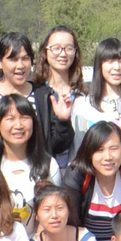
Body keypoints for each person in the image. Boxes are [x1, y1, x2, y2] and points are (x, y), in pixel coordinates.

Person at [63, 120, 121, 241]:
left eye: (114, 149)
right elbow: (71, 224)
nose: (108, 157)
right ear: (89, 152)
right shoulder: (77, 174)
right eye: (99, 150)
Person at [0, 92, 55, 223]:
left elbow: (55, 208)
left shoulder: (48, 164)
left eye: (24, 118)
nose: (18, 125)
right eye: (10, 119)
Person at [35, 25, 85, 160]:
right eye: (56, 48)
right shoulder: (36, 94)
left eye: (69, 48)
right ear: (45, 52)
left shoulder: (84, 96)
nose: (63, 54)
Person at [28, 182, 95, 241]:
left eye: (59, 208)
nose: (54, 215)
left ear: (68, 211)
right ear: (36, 215)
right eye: (47, 209)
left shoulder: (86, 240)